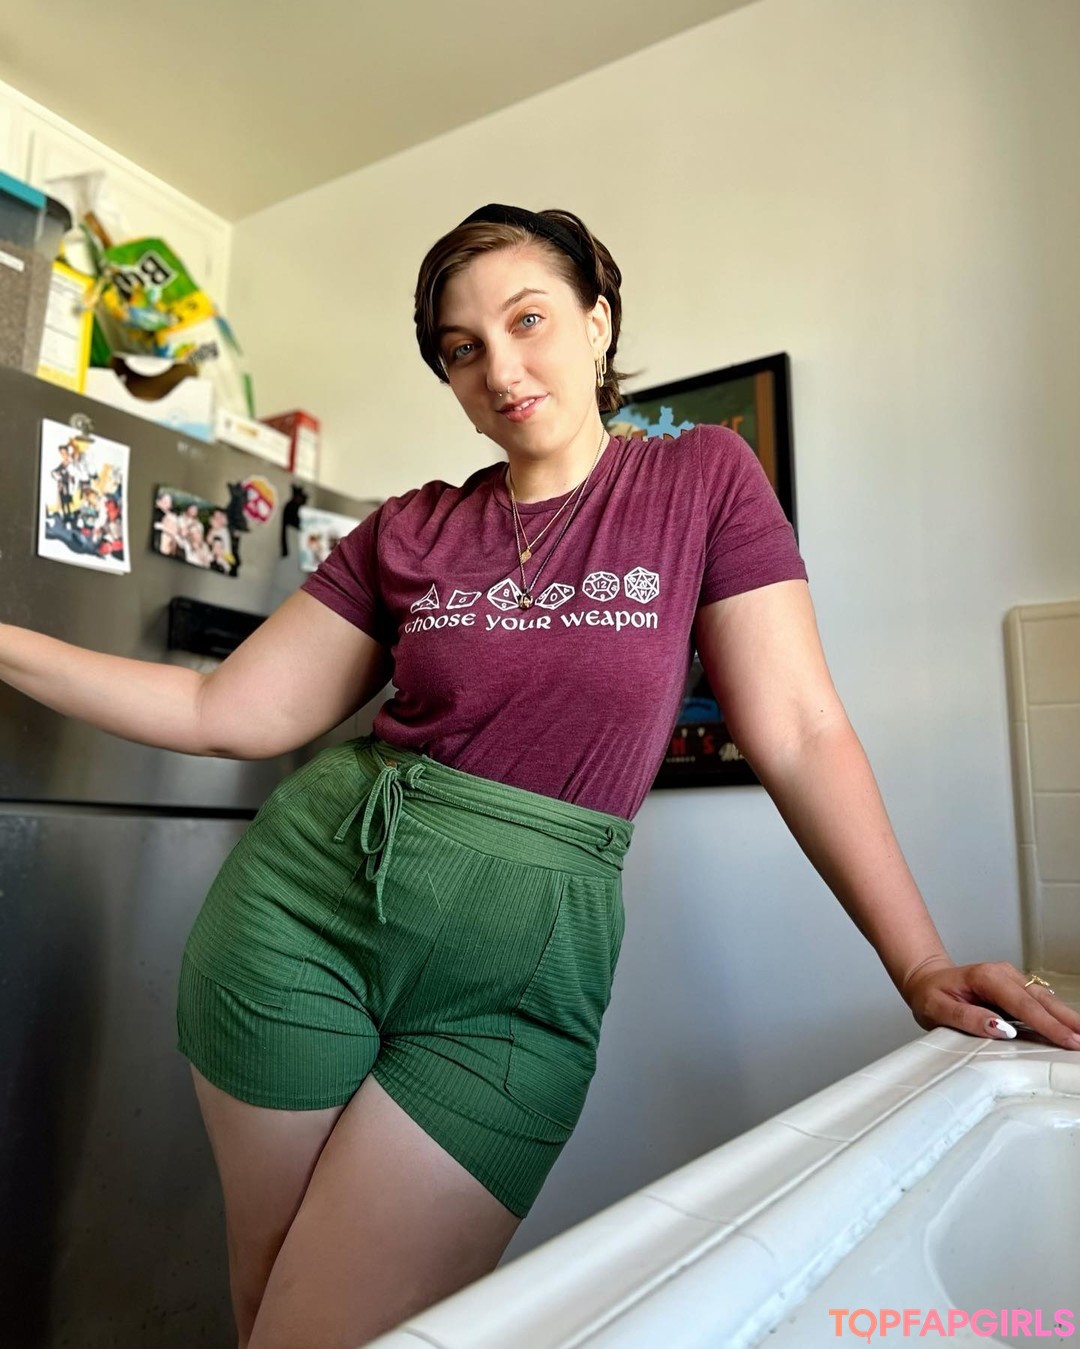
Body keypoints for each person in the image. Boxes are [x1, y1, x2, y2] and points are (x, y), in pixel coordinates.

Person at [2, 202, 1078, 1349]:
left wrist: (917, 960)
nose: (501, 369)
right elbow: (227, 709)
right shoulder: (410, 529)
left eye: (528, 321)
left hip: (514, 988)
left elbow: (801, 728)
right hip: (299, 920)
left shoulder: (701, 478)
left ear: (597, 321)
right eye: (463, 348)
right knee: (273, 1305)